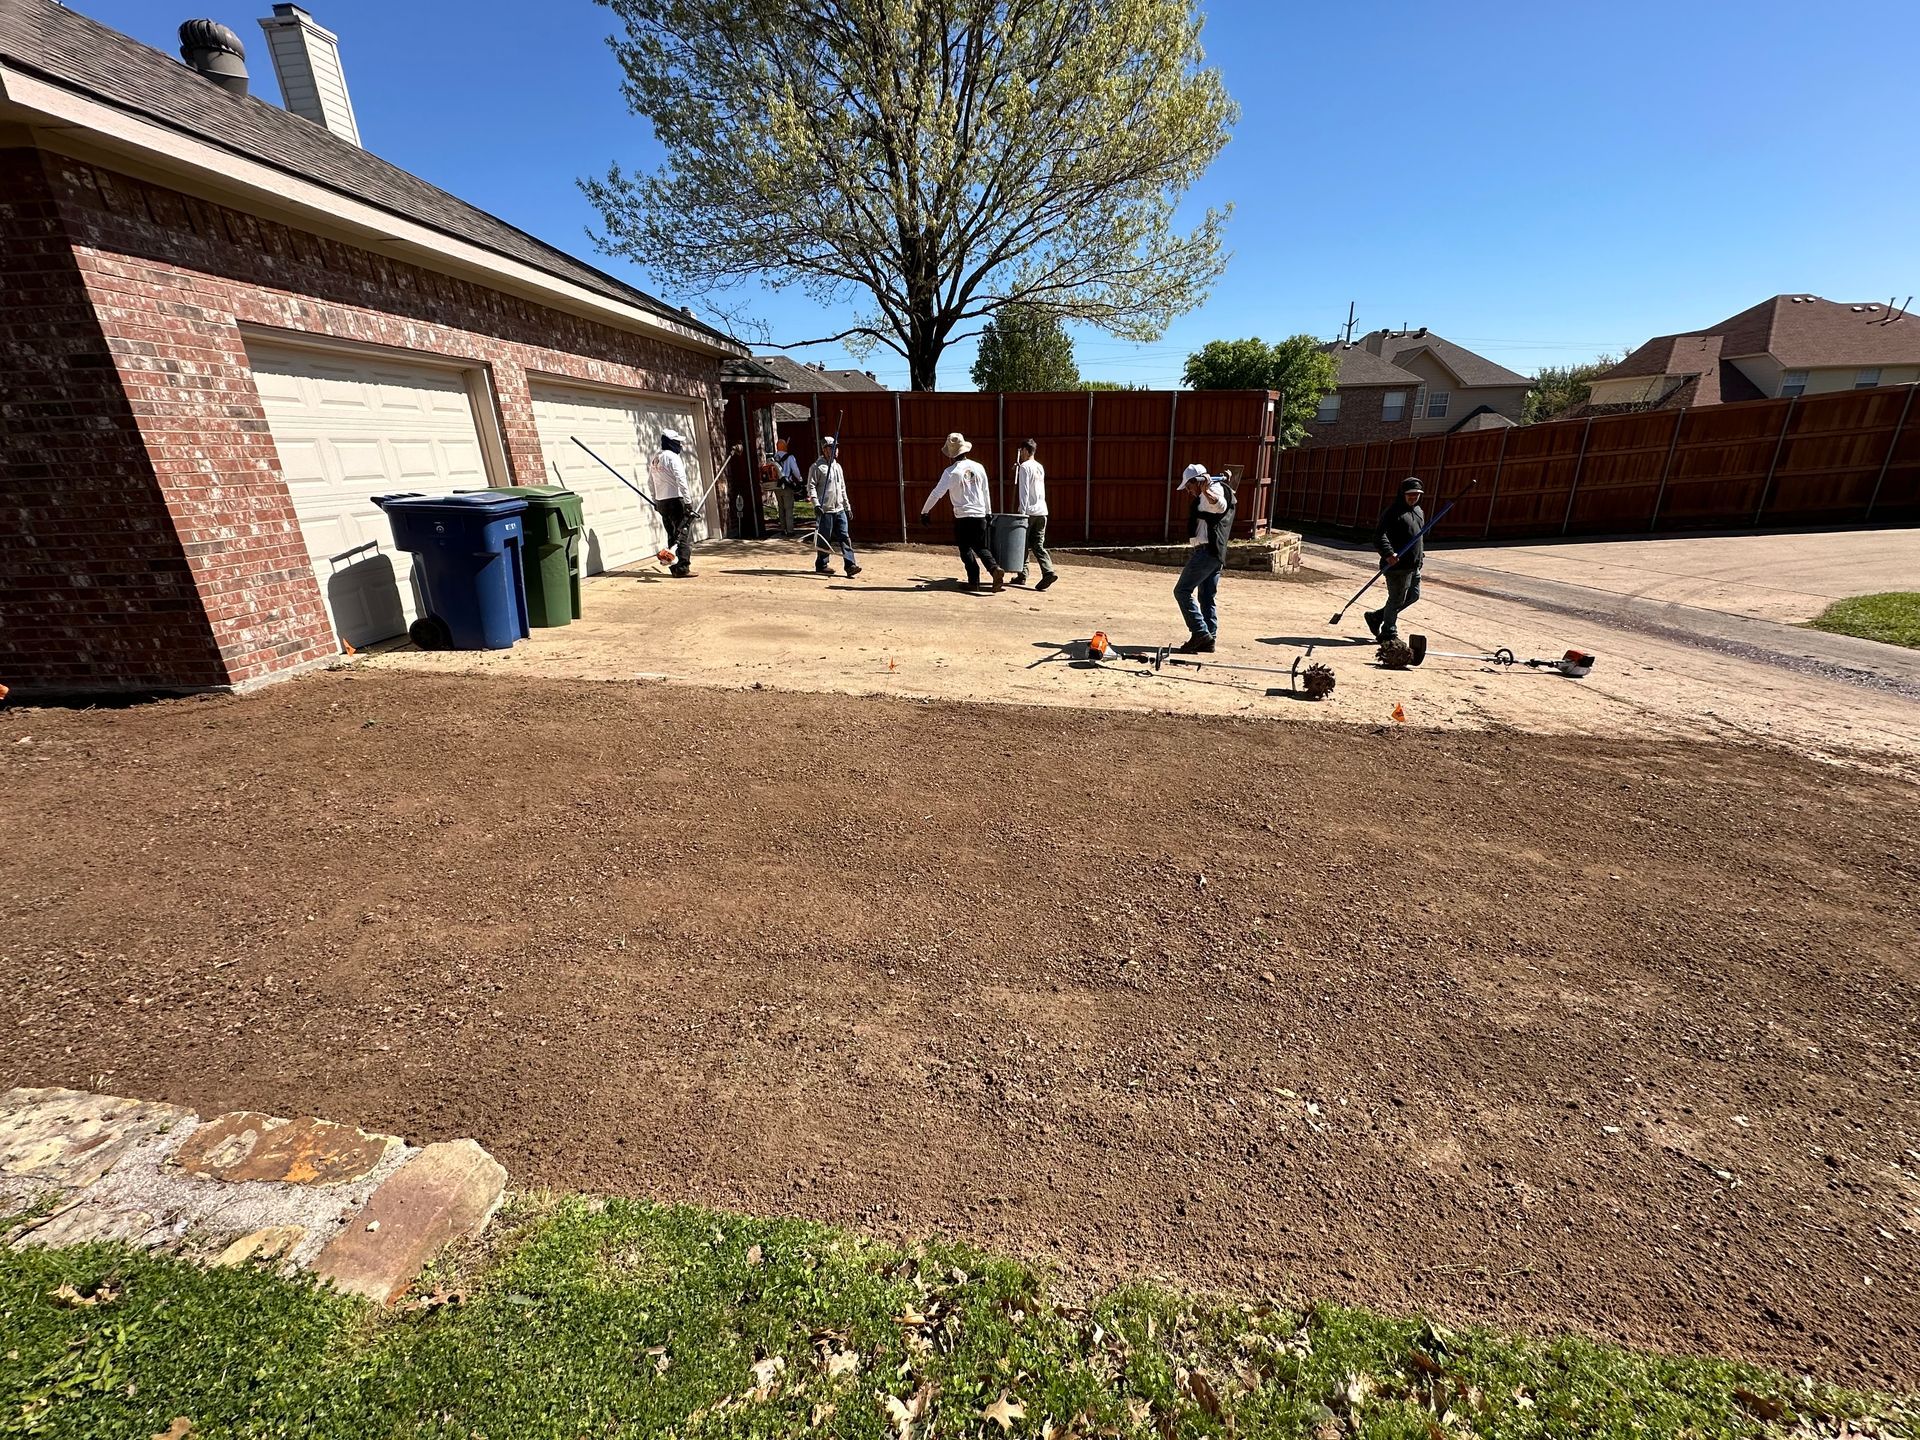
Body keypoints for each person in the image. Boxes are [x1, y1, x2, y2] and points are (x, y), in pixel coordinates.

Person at [920, 432, 1004, 591]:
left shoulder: (950, 472)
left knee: (965, 548)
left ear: (951, 454)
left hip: (962, 516)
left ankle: (974, 581)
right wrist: (988, 512)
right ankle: (994, 569)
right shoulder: (979, 467)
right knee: (980, 546)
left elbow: (936, 493)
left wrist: (925, 511)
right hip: (980, 515)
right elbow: (985, 491)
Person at [1173, 463, 1233, 653]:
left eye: (1189, 487)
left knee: (1182, 591)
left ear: (1196, 482)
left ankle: (1200, 633)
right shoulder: (1216, 489)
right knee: (1206, 597)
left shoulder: (1213, 490)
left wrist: (1206, 491)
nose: (1188, 491)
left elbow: (1219, 505)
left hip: (1207, 552)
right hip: (1215, 552)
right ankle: (1209, 639)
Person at [1366, 477, 1426, 642]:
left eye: (1417, 494)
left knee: (1413, 596)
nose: (1414, 497)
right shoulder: (1392, 512)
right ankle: (1388, 633)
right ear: (1403, 494)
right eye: (1410, 494)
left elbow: (1419, 537)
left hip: (1414, 565)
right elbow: (1379, 536)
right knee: (1396, 599)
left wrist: (1420, 555)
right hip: (1396, 566)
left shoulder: (1419, 511)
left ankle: (1377, 617)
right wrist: (1388, 553)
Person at [808, 435, 861, 578]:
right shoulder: (817, 467)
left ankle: (850, 565)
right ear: (825, 450)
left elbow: (842, 488)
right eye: (832, 448)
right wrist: (816, 504)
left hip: (839, 509)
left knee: (844, 536)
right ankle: (822, 564)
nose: (835, 450)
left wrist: (847, 506)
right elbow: (811, 487)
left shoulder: (838, 467)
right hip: (825, 509)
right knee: (824, 538)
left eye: (836, 447)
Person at [1009, 439, 1057, 591]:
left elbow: (1024, 492)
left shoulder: (1024, 467)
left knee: (1022, 544)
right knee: (1038, 544)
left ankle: (1023, 574)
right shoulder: (1039, 467)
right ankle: (1047, 570)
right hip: (1042, 511)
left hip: (1029, 512)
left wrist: (1022, 514)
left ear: (1024, 450)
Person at [649, 427, 696, 577]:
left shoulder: (656, 458)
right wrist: (688, 502)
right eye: (677, 442)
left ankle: (674, 567)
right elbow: (681, 480)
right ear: (671, 443)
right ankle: (682, 568)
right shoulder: (673, 458)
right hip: (675, 501)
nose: (680, 446)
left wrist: (655, 500)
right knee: (682, 534)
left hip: (662, 502)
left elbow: (650, 482)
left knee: (672, 535)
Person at [774, 439, 804, 537]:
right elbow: (795, 470)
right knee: (788, 508)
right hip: (787, 486)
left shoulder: (773, 458)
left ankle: (783, 529)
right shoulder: (790, 457)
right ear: (785, 447)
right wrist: (800, 480)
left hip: (776, 486)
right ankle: (790, 530)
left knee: (781, 508)